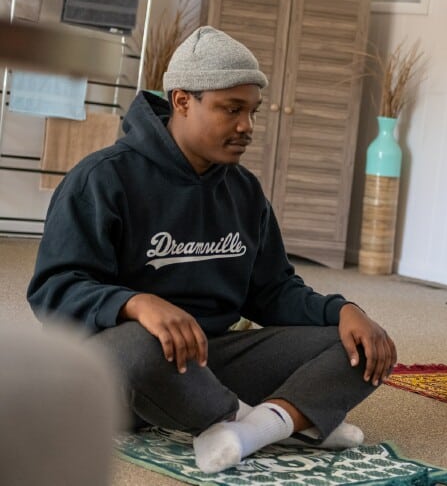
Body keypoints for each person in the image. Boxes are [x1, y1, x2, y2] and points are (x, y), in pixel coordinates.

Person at [27, 26, 397, 474]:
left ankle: (249, 428)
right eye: (232, 109)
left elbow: (273, 291)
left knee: (360, 347)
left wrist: (343, 311)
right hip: (119, 369)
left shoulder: (244, 192)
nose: (247, 126)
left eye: (253, 112)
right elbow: (54, 290)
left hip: (209, 360)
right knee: (141, 347)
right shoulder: (102, 179)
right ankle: (275, 421)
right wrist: (136, 303)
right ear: (182, 101)